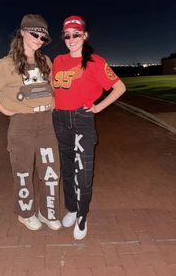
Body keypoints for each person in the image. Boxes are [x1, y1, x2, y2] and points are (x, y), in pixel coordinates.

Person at [0, 14, 62, 231]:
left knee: (51, 170)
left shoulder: (46, 61)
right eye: (35, 34)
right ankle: (25, 213)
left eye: (43, 38)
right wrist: (5, 110)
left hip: (46, 123)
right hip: (22, 125)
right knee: (23, 170)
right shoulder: (7, 64)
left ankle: (47, 211)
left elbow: (54, 88)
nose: (38, 40)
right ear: (23, 32)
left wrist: (54, 102)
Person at [52, 15, 126, 240]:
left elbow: (119, 87)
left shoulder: (95, 61)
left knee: (83, 172)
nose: (71, 39)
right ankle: (72, 209)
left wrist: (98, 108)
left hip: (82, 119)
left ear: (84, 36)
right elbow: (52, 88)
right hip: (60, 119)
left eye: (76, 34)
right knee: (66, 168)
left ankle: (83, 215)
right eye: (67, 35)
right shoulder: (58, 61)